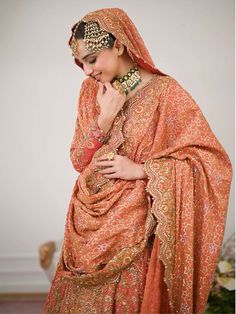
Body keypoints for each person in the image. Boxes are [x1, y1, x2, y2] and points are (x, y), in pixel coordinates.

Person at [44, 8, 232, 314]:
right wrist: (104, 118)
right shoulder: (90, 92)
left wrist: (142, 170)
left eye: (92, 59)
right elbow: (79, 161)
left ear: (118, 45)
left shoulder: (166, 93)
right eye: (81, 63)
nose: (87, 70)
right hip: (89, 224)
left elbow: (211, 162)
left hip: (139, 226)